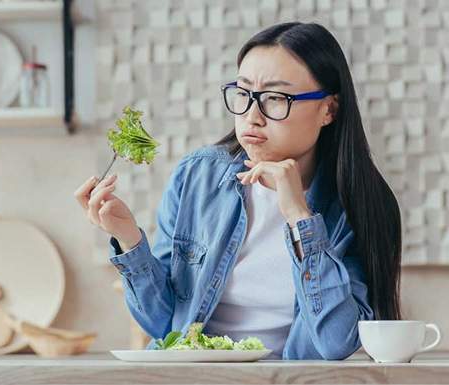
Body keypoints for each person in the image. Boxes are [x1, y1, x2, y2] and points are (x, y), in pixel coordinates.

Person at [74, 22, 402, 360]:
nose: (252, 116)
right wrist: (130, 240)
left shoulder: (361, 205)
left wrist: (299, 219)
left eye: (276, 98)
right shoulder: (197, 176)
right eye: (244, 94)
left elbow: (336, 343)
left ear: (328, 110)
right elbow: (163, 326)